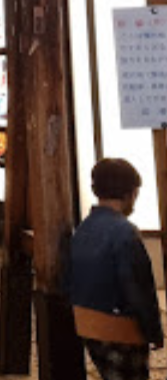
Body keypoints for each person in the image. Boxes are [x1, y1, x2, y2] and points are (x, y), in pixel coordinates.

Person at [69, 158, 163, 380]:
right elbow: (138, 289)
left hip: (89, 327)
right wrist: (154, 332)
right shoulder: (125, 233)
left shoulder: (83, 229)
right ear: (129, 193)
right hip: (121, 330)